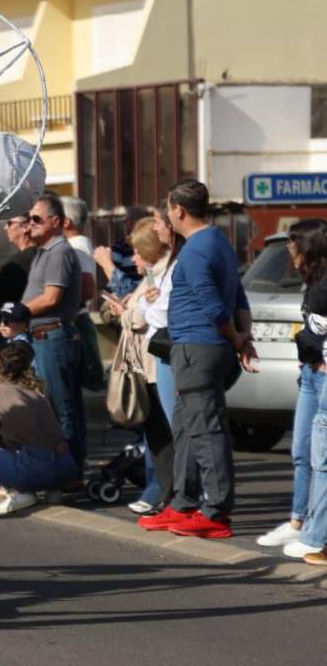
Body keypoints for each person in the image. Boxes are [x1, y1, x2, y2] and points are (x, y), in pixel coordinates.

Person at [138, 179, 256, 539]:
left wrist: (237, 338)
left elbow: (214, 303)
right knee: (188, 428)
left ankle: (217, 511)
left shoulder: (195, 250)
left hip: (198, 349)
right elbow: (239, 297)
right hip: (201, 349)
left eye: (168, 210)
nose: (166, 217)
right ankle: (182, 503)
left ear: (179, 210)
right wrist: (242, 338)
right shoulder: (219, 241)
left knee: (207, 431)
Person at [259, 219, 327, 552]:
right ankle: (298, 520)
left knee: (321, 457)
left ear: (310, 246)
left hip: (322, 375)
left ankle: (314, 531)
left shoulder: (324, 284)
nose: (289, 248)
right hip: (310, 377)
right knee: (301, 451)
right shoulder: (311, 281)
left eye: (294, 242)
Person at [101, 218, 176, 514]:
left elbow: (145, 318)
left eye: (137, 250)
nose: (133, 257)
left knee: (161, 432)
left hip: (154, 364)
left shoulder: (159, 276)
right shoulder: (150, 275)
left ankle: (163, 492)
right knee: (153, 431)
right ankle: (156, 489)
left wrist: (126, 312)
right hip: (146, 365)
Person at [0, 341, 79, 514]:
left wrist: (2, 480)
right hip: (63, 466)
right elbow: (57, 422)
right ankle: (52, 491)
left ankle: (20, 492)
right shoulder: (38, 387)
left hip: (32, 468)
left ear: (2, 367)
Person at [21, 193, 87, 472]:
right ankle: (64, 467)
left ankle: (70, 470)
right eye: (28, 219)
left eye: (36, 219)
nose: (29, 224)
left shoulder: (59, 251)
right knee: (56, 407)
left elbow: (51, 298)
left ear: (57, 221)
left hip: (53, 337)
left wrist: (18, 312)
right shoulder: (45, 251)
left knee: (62, 409)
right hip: (44, 338)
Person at [61, 196, 105, 391]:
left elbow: (87, 288)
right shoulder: (76, 245)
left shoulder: (77, 246)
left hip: (77, 321)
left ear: (66, 222)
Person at [0, 214, 37, 330]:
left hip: (12, 325)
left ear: (25, 227)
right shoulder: (40, 255)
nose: (6, 228)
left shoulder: (20, 262)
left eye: (10, 223)